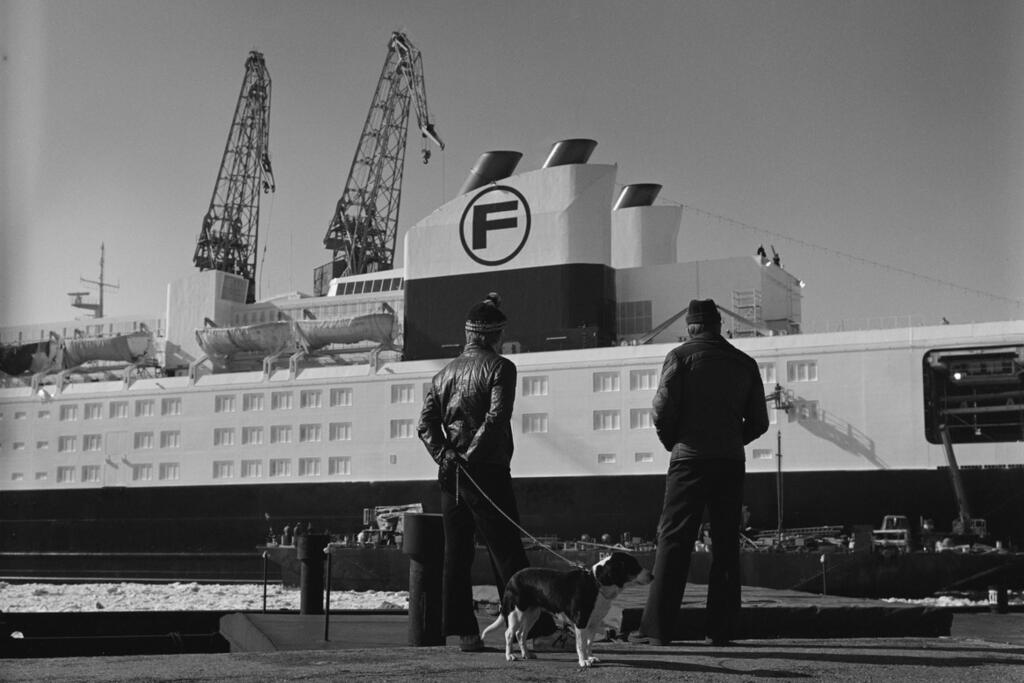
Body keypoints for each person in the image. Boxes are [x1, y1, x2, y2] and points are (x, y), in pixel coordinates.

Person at [417, 292, 555, 652]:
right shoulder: (501, 368)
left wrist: (447, 457)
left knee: (456, 554)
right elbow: (496, 418)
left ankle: (465, 633)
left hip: (451, 477)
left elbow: (425, 425)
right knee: (507, 553)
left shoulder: (441, 375)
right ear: (493, 336)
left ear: (467, 335)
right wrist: (471, 457)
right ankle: (536, 632)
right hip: (486, 471)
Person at [630, 298, 769, 646]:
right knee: (725, 545)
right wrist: (732, 440)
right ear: (719, 325)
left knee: (674, 541)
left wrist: (675, 443)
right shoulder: (745, 363)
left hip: (688, 461)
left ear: (690, 327)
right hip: (730, 463)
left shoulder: (679, 358)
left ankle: (657, 630)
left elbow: (661, 412)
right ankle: (721, 631)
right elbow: (760, 422)